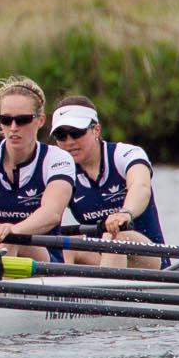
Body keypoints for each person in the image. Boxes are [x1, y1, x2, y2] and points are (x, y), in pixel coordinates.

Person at [0, 75, 75, 263]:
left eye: (23, 120)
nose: (13, 127)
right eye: (6, 119)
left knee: (8, 240)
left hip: (45, 259)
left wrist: (11, 230)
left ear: (41, 120)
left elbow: (52, 213)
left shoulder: (57, 159)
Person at [49, 94, 165, 269]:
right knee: (67, 243)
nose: (69, 142)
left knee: (114, 235)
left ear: (96, 129)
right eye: (61, 135)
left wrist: (125, 213)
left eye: (76, 133)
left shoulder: (125, 154)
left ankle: (104, 293)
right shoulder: (62, 171)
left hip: (150, 259)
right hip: (102, 257)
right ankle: (60, 294)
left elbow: (140, 187)